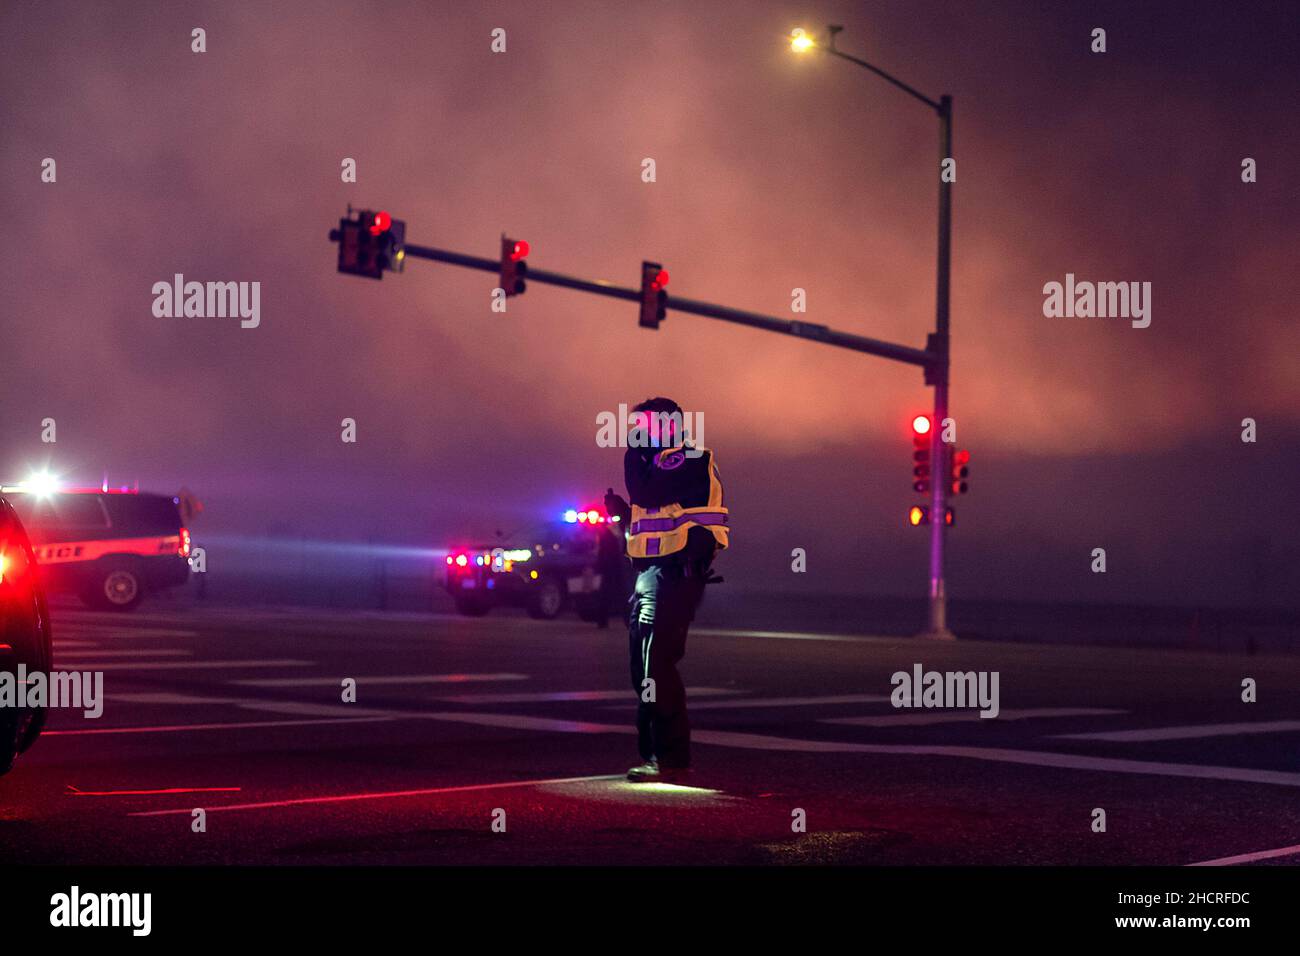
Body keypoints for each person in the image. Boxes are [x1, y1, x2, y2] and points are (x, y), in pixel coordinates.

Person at [604, 397, 728, 782]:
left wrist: (631, 457)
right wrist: (624, 514)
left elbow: (649, 492)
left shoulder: (686, 457)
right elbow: (655, 509)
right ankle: (658, 757)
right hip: (649, 577)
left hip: (676, 575)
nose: (636, 433)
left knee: (656, 666)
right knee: (642, 669)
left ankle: (668, 759)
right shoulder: (656, 462)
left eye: (644, 426)